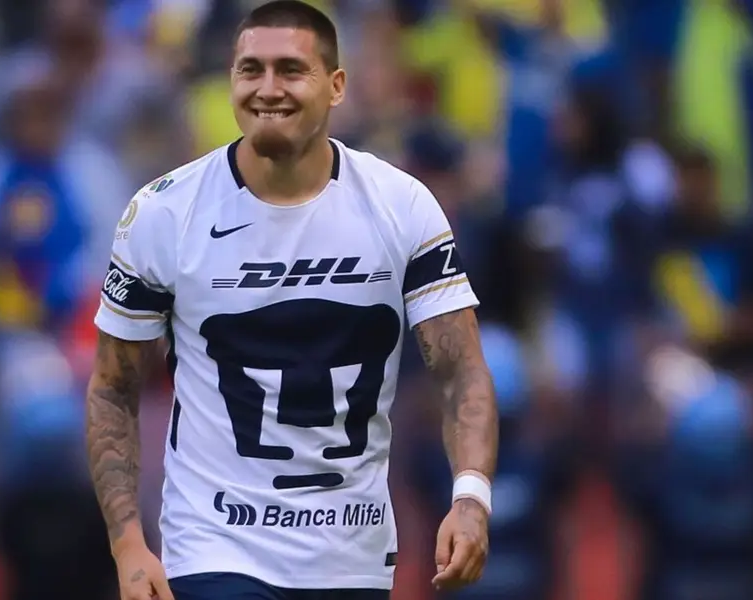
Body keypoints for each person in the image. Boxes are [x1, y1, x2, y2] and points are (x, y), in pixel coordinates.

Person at [84, 2, 499, 599]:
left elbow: (461, 371)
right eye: (250, 69)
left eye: (290, 70)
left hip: (351, 555)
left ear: (336, 87)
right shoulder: (164, 212)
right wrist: (127, 543)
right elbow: (112, 387)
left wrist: (471, 497)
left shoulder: (402, 206)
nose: (268, 88)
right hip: (213, 548)